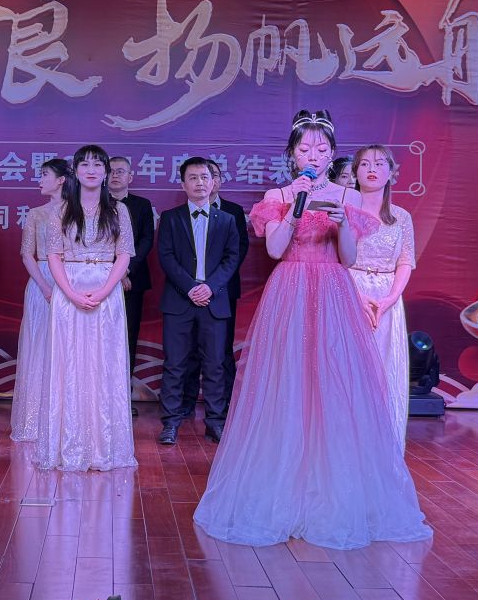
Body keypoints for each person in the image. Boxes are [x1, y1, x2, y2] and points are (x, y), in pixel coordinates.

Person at [194, 110, 431, 549]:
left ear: (332, 152)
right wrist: (293, 208)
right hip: (290, 289)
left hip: (334, 291)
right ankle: (282, 486)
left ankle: (331, 490)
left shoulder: (348, 195)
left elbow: (349, 258)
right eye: (305, 149)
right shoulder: (279, 194)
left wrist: (342, 224)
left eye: (322, 149)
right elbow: (276, 249)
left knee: (333, 386)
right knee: (288, 383)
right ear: (292, 154)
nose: (314, 155)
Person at [35, 145, 137, 472]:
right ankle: (69, 446)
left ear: (106, 172)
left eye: (97, 165)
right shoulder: (61, 211)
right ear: (75, 173)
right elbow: (53, 255)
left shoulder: (118, 210)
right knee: (69, 365)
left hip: (107, 294)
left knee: (104, 366)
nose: (91, 170)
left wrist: (106, 290)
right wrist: (69, 293)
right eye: (85, 165)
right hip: (69, 291)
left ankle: (105, 448)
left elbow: (124, 254)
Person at [156, 157, 243, 445]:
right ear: (183, 184)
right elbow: (166, 257)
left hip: (214, 302)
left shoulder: (227, 220)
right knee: (175, 363)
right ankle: (170, 422)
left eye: (204, 177)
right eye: (192, 178)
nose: (200, 183)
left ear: (213, 181)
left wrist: (210, 287)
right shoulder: (171, 218)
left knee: (215, 364)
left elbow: (232, 258)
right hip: (179, 301)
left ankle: (215, 422)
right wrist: (191, 288)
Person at [347, 145, 416, 449]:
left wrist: (389, 299)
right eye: (364, 164)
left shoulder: (401, 217)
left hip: (388, 298)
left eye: (379, 164)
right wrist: (357, 296)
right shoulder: (344, 211)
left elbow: (406, 261)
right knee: (351, 369)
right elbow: (335, 259)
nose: (372, 169)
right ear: (355, 172)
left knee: (386, 370)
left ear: (391, 172)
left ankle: (383, 445)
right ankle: (349, 444)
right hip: (349, 291)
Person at [10, 158, 70, 443]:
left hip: (72, 279)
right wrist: (46, 287)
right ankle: (35, 420)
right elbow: (27, 254)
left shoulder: (80, 211)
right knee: (39, 347)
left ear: (61, 180)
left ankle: (66, 419)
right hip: (41, 281)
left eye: (45, 175)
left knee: (67, 348)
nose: (40, 180)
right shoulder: (36, 214)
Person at [108, 155, 155, 413]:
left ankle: (122, 400)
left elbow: (146, 241)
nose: (115, 175)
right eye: (111, 171)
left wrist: (126, 270)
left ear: (130, 176)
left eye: (120, 171)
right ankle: (99, 398)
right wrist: (113, 273)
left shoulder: (142, 205)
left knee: (127, 339)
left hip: (131, 283)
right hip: (99, 281)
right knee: (100, 339)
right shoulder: (93, 203)